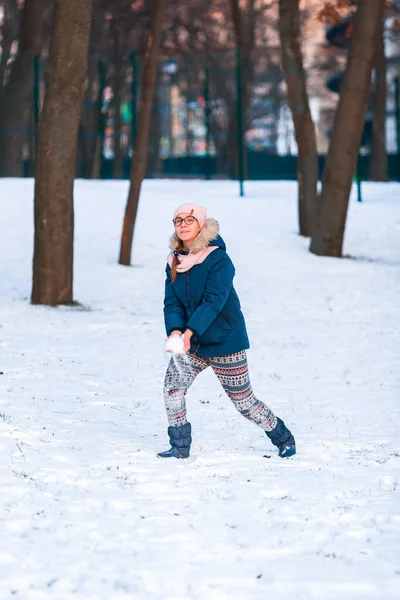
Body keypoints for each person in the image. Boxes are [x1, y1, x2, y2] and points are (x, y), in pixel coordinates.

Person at [158, 203, 296, 460]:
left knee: (244, 402)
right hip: (193, 343)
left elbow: (214, 301)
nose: (183, 224)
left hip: (224, 341)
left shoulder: (219, 259)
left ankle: (283, 437)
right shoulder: (174, 261)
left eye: (190, 219)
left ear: (201, 224)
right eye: (178, 220)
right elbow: (172, 301)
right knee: (172, 389)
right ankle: (179, 447)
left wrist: (189, 331)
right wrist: (176, 331)